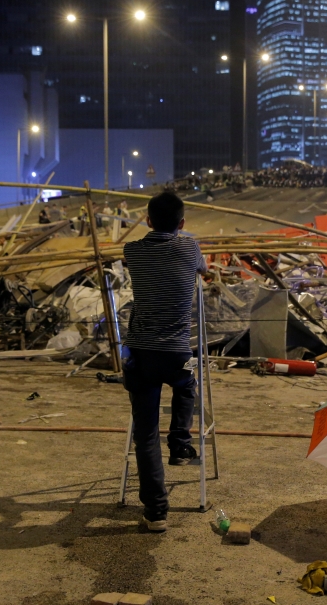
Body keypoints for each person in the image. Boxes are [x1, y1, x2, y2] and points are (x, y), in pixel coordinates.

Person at [122, 192, 209, 533]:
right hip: (176, 353)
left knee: (144, 436)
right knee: (187, 384)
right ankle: (180, 444)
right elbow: (203, 269)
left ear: (147, 219)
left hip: (139, 354)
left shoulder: (132, 251)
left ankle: (156, 512)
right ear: (182, 224)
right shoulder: (190, 249)